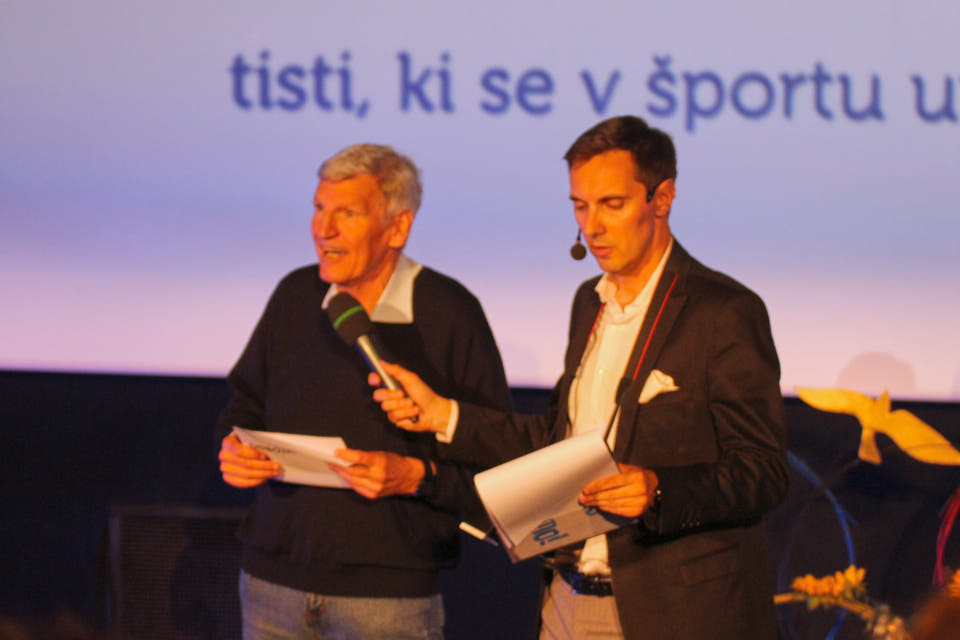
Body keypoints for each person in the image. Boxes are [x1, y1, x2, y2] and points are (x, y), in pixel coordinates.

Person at [373, 116, 789, 640]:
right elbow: (559, 441)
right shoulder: (587, 303)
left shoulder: (723, 311)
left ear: (662, 198)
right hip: (566, 597)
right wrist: (443, 416)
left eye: (612, 204)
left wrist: (659, 490)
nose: (591, 226)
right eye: (580, 205)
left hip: (671, 611)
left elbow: (762, 472)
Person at [216, 143, 512, 640]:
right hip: (272, 583)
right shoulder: (295, 296)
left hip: (387, 598)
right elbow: (243, 404)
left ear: (398, 228)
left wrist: (414, 477)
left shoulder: (450, 312)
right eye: (319, 208)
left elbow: (497, 460)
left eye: (347, 214)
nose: (323, 229)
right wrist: (232, 448)